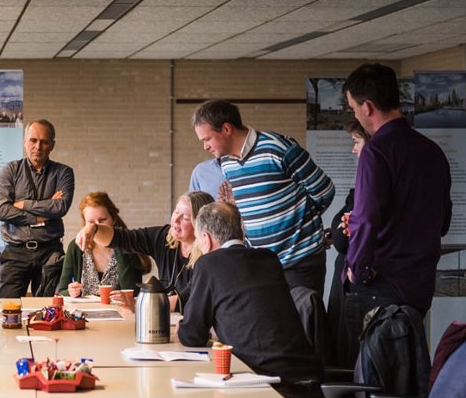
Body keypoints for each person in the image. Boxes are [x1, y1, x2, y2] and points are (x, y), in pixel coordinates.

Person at [177, 202, 325, 398]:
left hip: (267, 392)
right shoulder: (268, 259)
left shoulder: (209, 264)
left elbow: (191, 335)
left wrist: (190, 327)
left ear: (206, 239)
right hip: (312, 391)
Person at [342, 63, 452, 360]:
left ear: (367, 107)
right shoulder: (432, 151)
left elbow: (365, 219)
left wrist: (358, 270)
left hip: (380, 284)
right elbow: (443, 221)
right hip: (418, 286)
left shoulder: (376, 151)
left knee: (368, 379)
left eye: (353, 108)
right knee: (405, 374)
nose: (354, 114)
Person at [192, 99, 335, 295]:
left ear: (226, 128)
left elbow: (324, 190)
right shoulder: (226, 163)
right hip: (262, 265)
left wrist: (303, 225)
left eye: (207, 139)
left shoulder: (278, 147)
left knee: (304, 323)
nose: (205, 147)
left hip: (300, 262)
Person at [75, 191, 214, 312]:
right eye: (176, 212)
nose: (176, 220)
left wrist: (138, 304)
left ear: (200, 223)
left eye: (185, 218)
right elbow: (123, 239)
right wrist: (94, 228)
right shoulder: (164, 237)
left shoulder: (209, 254)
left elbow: (188, 297)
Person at [0, 119, 75, 297]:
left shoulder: (64, 173)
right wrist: (41, 215)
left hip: (50, 252)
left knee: (50, 311)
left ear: (52, 145)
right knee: (6, 308)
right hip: (16, 251)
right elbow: (3, 211)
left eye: (44, 142)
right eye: (33, 140)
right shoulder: (10, 171)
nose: (38, 146)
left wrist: (24, 204)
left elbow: (60, 207)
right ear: (25, 142)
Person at [326, 120, 367, 368]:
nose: (354, 150)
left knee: (352, 355)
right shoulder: (362, 185)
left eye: (356, 142)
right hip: (347, 275)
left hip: (358, 279)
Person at [58, 192, 150, 297]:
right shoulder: (76, 247)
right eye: (91, 222)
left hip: (118, 312)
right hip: (83, 311)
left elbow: (133, 293)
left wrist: (119, 244)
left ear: (113, 219)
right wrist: (70, 292)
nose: (96, 226)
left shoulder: (128, 246)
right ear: (85, 224)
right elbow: (62, 291)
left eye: (102, 220)